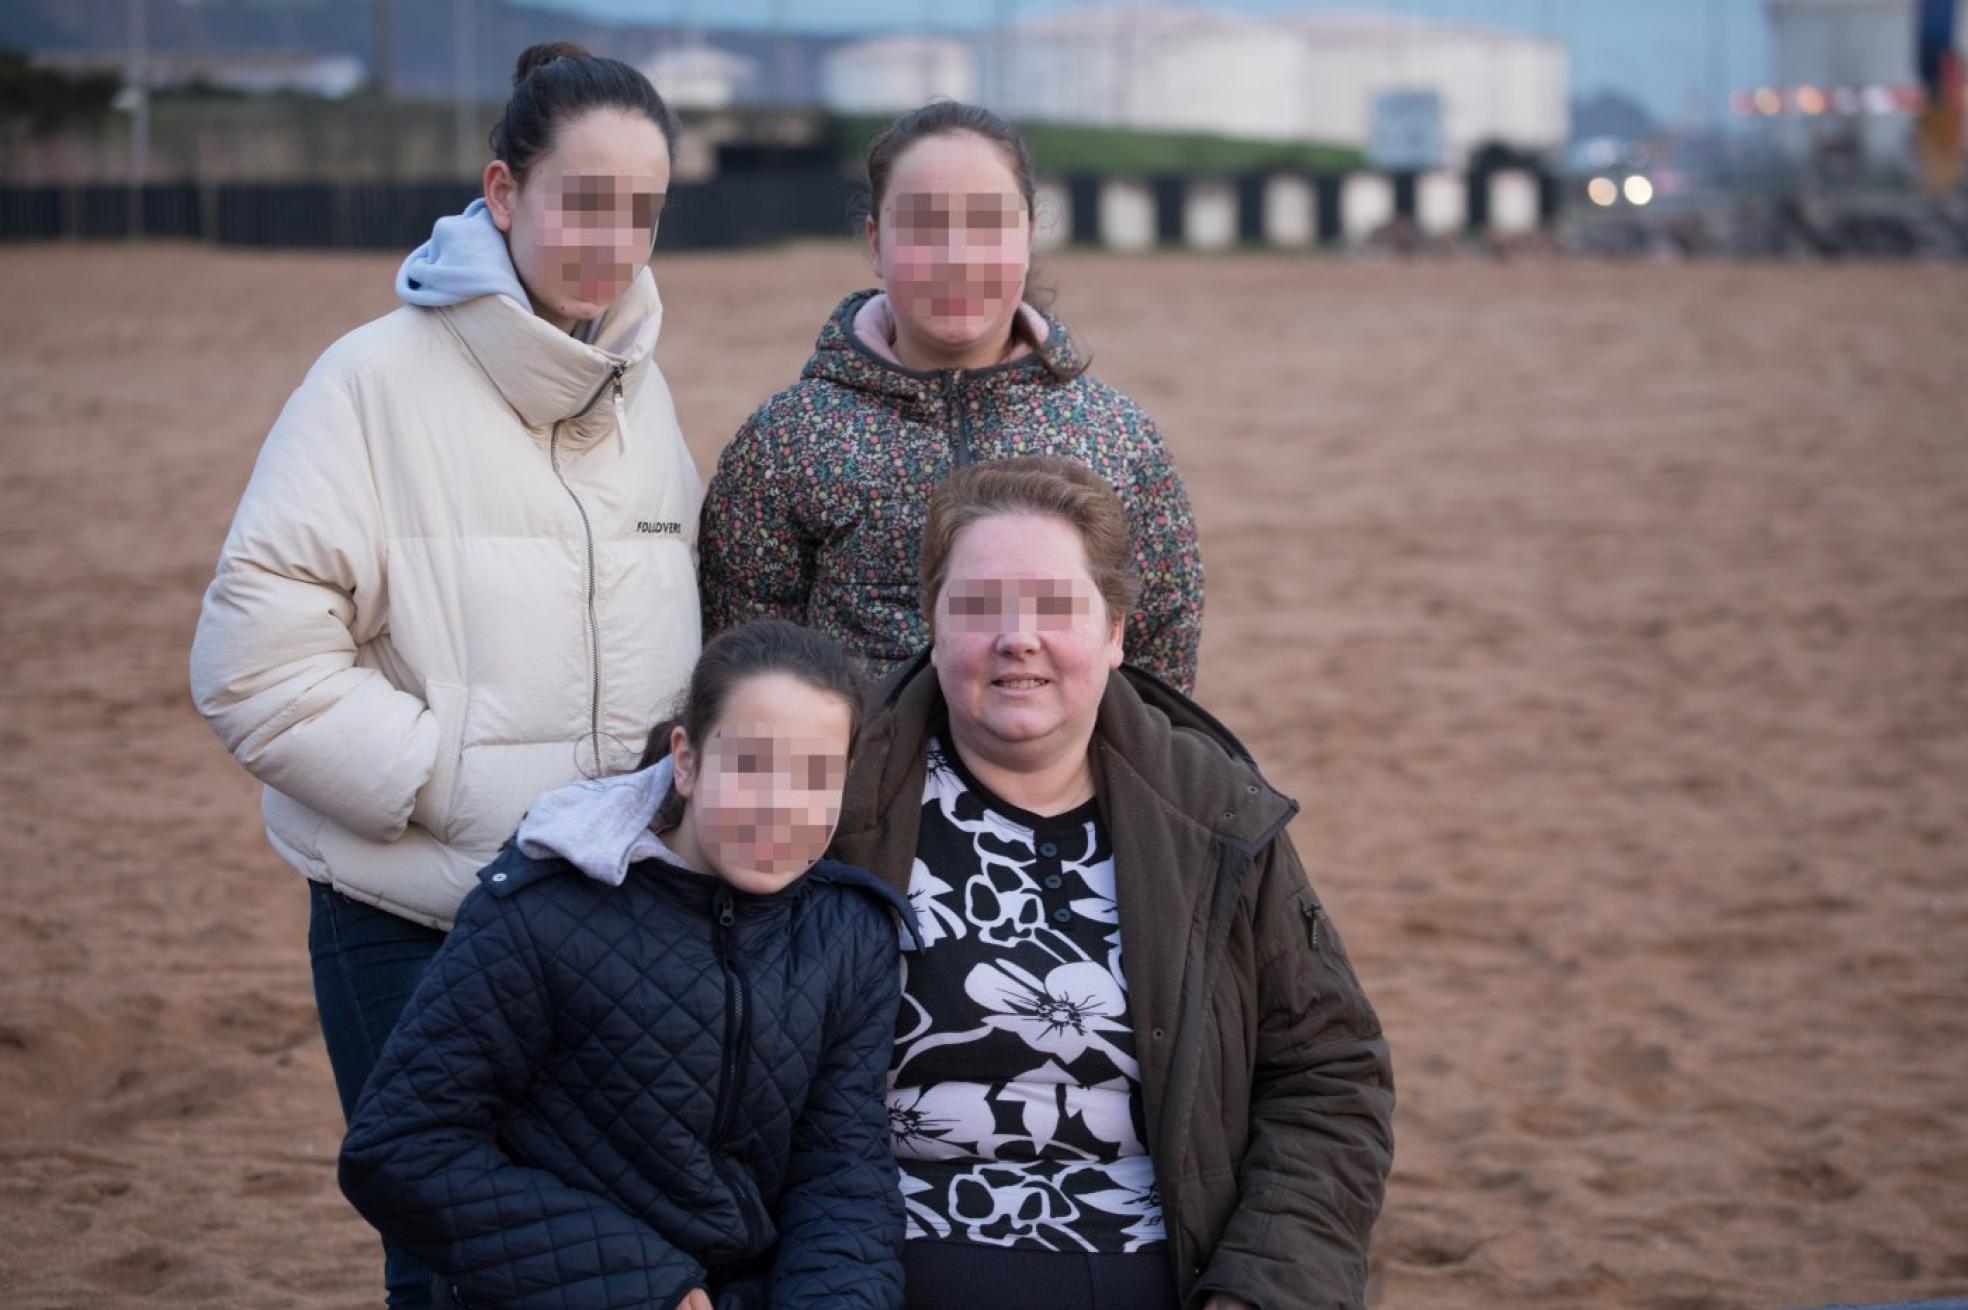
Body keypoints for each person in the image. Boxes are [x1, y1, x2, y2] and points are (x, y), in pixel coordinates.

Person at [187, 41, 701, 1308]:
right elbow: (252, 657)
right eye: (584, 199)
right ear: (502, 190)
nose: (614, 239)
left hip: (606, 926)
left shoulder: (642, 392)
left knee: (588, 1252)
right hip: (417, 920)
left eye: (644, 209)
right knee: (453, 1261)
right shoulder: (370, 378)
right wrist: (446, 784)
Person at [828, 457, 1394, 1310]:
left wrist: (1260, 1292)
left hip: (1168, 1272)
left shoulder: (1212, 816)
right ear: (932, 624)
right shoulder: (827, 797)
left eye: (1055, 605)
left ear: (1117, 631)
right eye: (979, 605)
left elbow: (1330, 1076)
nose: (1017, 637)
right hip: (883, 1268)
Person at [339, 620, 913, 1310]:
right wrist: (641, 1288)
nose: (780, 808)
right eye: (753, 765)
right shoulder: (541, 911)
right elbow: (401, 1149)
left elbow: (840, 1174)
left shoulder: (849, 932)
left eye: (813, 777)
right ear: (687, 759)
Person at [698, 100, 1205, 694]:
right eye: (923, 228)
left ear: (1028, 235)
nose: (957, 259)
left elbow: (1159, 653)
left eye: (988, 225)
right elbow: (748, 667)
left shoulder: (1117, 434)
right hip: (859, 782)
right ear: (875, 243)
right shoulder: (786, 439)